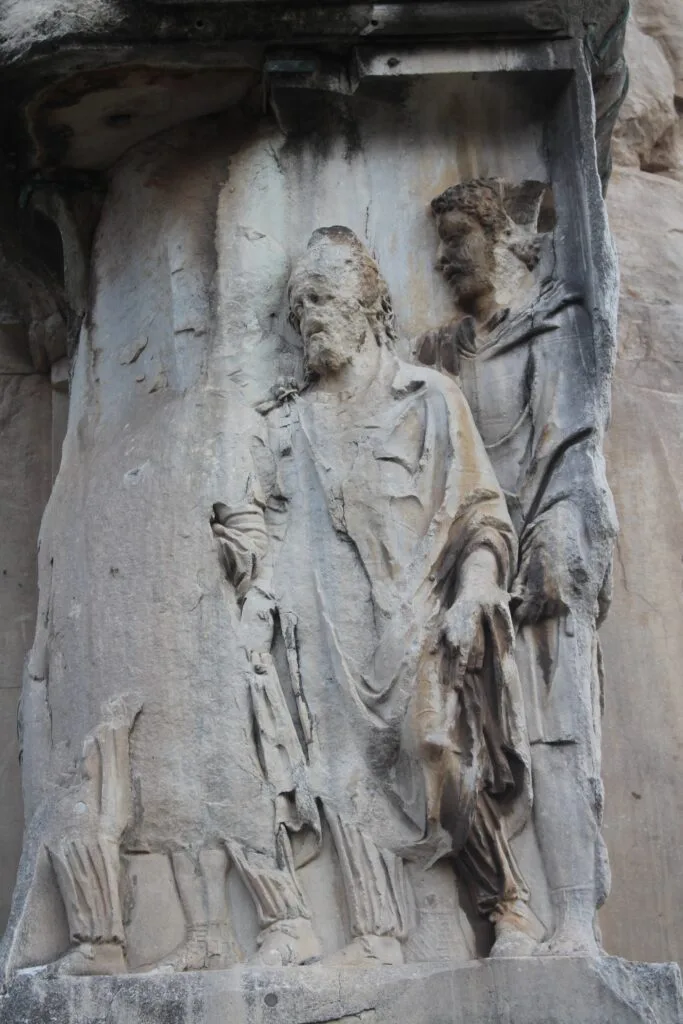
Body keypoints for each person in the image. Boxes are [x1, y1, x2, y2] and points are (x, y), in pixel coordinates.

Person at [213, 226, 540, 965]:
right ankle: (374, 935)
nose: (309, 317)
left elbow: (482, 514)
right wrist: (242, 557)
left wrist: (475, 589)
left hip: (416, 612)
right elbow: (262, 525)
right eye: (298, 306)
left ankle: (507, 901)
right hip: (322, 626)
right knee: (340, 773)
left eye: (323, 297)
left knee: (434, 745)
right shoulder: (285, 423)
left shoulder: (428, 398)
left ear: (368, 304)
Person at [418, 179, 617, 955]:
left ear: (503, 239)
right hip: (454, 567)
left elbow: (569, 451)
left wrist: (553, 542)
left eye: (456, 239)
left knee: (557, 738)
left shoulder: (552, 330)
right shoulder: (435, 355)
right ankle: (501, 904)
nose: (442, 259)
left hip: (536, 566)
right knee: (449, 741)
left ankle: (573, 919)